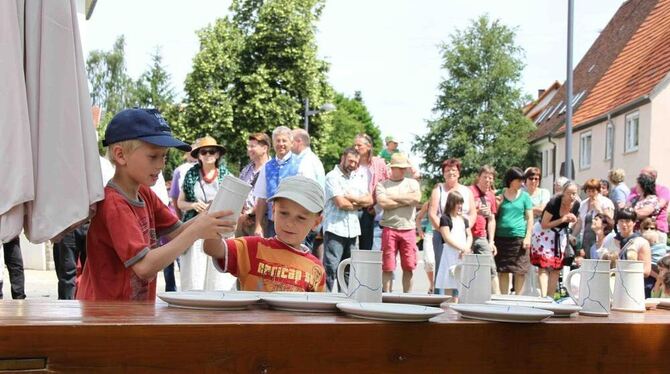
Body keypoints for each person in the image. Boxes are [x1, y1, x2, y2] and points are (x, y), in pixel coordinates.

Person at [76, 108, 236, 301]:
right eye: (153, 156)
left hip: (130, 312)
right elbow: (144, 267)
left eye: (164, 156)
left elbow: (177, 231)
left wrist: (208, 216)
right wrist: (197, 230)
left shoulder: (144, 192)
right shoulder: (114, 203)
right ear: (120, 155)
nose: (161, 165)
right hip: (106, 314)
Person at [203, 176, 326, 292]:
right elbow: (212, 249)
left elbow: (316, 311)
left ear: (316, 222)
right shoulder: (251, 247)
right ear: (273, 210)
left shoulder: (316, 269)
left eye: (301, 218)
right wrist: (216, 219)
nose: (289, 223)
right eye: (284, 213)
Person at [177, 136, 234, 292]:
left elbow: (234, 203)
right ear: (198, 156)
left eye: (212, 151)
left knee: (218, 277)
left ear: (217, 155)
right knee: (194, 274)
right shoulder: (190, 175)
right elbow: (180, 203)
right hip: (195, 226)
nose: (208, 155)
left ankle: (216, 310)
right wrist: (193, 204)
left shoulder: (227, 176)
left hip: (219, 229)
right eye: (204, 152)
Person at [322, 148, 371, 291]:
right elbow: (340, 203)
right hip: (335, 229)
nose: (353, 165)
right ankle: (326, 301)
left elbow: (369, 200)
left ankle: (347, 300)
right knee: (331, 268)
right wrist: (358, 205)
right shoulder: (332, 177)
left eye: (356, 162)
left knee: (349, 270)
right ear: (342, 158)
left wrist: (352, 198)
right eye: (350, 161)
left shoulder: (357, 178)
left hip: (353, 230)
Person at [428, 158, 476, 292]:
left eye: (454, 170)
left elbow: (473, 213)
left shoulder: (466, 191)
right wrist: (446, 231)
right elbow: (432, 214)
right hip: (442, 234)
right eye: (447, 170)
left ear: (459, 173)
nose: (451, 173)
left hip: (462, 235)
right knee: (443, 266)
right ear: (443, 173)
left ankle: (458, 299)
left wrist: (465, 230)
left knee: (460, 268)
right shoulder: (439, 189)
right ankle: (439, 299)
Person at [376, 153, 421, 293]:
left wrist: (393, 197)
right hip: (389, 228)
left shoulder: (413, 183)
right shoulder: (382, 185)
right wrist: (405, 200)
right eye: (400, 168)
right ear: (393, 168)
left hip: (409, 229)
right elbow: (383, 203)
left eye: (405, 168)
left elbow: (416, 199)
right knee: (387, 266)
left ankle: (407, 297)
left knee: (409, 266)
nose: (403, 170)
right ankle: (387, 296)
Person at [530, 181, 579, 298]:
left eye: (574, 194)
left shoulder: (576, 204)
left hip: (559, 235)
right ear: (563, 193)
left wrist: (572, 220)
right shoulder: (554, 203)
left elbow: (571, 221)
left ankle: (550, 297)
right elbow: (544, 224)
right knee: (543, 266)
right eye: (569, 193)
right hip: (544, 233)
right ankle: (543, 296)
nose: (572, 197)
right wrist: (563, 219)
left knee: (556, 267)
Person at [254, 126, 300, 238]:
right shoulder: (267, 166)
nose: (281, 144)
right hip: (272, 222)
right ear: (273, 144)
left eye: (284, 140)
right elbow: (261, 197)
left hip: (294, 222)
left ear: (291, 143)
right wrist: (258, 225)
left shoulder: (300, 164)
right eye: (277, 141)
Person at [494, 167, 533, 295]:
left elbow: (530, 218)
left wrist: (527, 237)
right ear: (511, 180)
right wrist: (497, 203)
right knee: (503, 270)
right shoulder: (499, 194)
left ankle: (518, 299)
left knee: (520, 270)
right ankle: (504, 298)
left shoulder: (525, 197)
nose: (522, 184)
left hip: (519, 237)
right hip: (501, 237)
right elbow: (493, 214)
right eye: (519, 180)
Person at [292, 128, 326, 252]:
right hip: (310, 217)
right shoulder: (313, 160)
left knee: (300, 257)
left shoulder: (306, 162)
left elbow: (305, 192)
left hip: (304, 218)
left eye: (291, 140)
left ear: (299, 141)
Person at [353, 133, 389, 250]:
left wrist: (377, 208)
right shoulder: (352, 162)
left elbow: (385, 186)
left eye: (359, 145)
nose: (356, 148)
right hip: (351, 208)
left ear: (368, 146)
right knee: (350, 248)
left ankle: (365, 269)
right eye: (355, 145)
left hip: (369, 211)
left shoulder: (378, 163)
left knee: (367, 248)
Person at [435, 191, 472, 299]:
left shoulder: (464, 219)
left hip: (463, 253)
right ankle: (449, 306)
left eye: (461, 203)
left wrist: (466, 248)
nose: (460, 206)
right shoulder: (445, 218)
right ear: (451, 203)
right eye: (457, 203)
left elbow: (469, 235)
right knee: (449, 280)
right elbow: (447, 238)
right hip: (450, 253)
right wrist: (461, 248)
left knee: (463, 281)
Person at [470, 165, 500, 294]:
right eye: (485, 177)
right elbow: (461, 212)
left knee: (490, 267)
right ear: (478, 177)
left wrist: (491, 241)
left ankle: (497, 297)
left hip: (482, 236)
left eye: (490, 178)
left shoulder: (491, 196)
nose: (487, 180)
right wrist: (477, 211)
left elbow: (492, 219)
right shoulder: (469, 191)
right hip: (467, 235)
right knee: (467, 268)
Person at [237, 133, 271, 237]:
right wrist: (242, 214)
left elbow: (268, 197)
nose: (249, 149)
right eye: (248, 146)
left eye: (252, 146)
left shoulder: (272, 169)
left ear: (264, 148)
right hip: (243, 220)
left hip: (262, 222)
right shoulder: (246, 169)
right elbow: (239, 192)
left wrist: (251, 214)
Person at [572, 178, 614, 258]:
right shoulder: (583, 204)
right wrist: (573, 235)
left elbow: (610, 220)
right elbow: (580, 223)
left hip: (601, 238)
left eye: (593, 191)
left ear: (598, 190)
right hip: (586, 239)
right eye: (588, 191)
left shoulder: (606, 202)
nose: (591, 193)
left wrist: (598, 209)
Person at [627, 166, 669, 240]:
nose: (639, 177)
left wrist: (629, 213)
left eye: (642, 175)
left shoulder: (663, 190)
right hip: (637, 230)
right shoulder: (635, 190)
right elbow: (626, 206)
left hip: (655, 229)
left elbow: (657, 206)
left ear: (652, 177)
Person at [169, 149, 197, 219]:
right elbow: (175, 197)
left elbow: (174, 197)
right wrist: (180, 217)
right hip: (189, 215)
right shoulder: (180, 170)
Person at [415, 202, 435, 293]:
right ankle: (432, 284)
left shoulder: (449, 201)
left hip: (445, 234)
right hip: (430, 234)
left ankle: (438, 286)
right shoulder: (428, 204)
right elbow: (418, 218)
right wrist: (420, 231)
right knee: (429, 261)